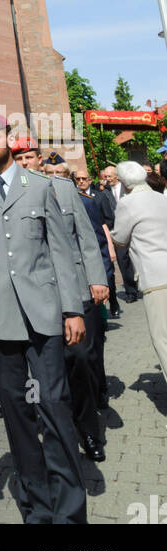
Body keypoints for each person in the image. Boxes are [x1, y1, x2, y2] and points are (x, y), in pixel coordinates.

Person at [0, 113, 88, 525]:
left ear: (11, 139)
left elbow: (61, 251)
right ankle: (38, 507)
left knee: (53, 407)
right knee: (16, 413)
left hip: (45, 315)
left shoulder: (41, 186)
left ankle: (70, 511)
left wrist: (72, 308)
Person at [14, 146, 108, 462]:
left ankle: (90, 430)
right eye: (18, 160)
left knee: (80, 358)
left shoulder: (64, 190)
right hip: (39, 298)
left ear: (39, 159)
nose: (24, 163)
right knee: (48, 371)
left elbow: (86, 238)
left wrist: (97, 279)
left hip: (76, 287)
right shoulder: (11, 200)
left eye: (28, 157)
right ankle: (60, 431)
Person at [111, 160, 167, 387]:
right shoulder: (160, 197)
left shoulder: (128, 203)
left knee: (163, 339)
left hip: (155, 278)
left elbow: (120, 238)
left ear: (124, 183)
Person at [72, 166, 112, 408]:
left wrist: (103, 280)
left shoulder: (85, 203)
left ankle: (99, 392)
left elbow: (98, 246)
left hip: (87, 288)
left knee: (93, 347)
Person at [102, 164, 140, 301]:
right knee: (123, 260)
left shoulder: (128, 188)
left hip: (134, 228)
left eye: (109, 176)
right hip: (117, 230)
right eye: (105, 177)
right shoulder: (104, 191)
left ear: (117, 176)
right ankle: (131, 291)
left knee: (139, 257)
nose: (107, 179)